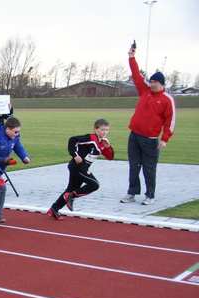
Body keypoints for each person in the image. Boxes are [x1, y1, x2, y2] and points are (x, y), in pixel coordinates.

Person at [121, 43, 176, 206]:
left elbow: (170, 121)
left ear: (162, 83)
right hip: (134, 135)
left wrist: (165, 138)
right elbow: (136, 74)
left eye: (155, 82)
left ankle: (150, 195)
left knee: (149, 169)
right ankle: (131, 193)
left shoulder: (167, 99)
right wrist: (131, 57)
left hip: (151, 139)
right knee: (134, 166)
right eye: (151, 81)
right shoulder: (145, 90)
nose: (152, 84)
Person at [47, 119, 114, 221]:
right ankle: (72, 195)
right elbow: (72, 140)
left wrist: (108, 147)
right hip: (77, 166)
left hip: (82, 168)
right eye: (102, 129)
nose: (104, 132)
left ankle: (54, 209)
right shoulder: (90, 138)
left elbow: (110, 157)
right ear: (95, 129)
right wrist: (75, 155)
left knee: (71, 189)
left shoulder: (103, 142)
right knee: (94, 184)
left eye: (106, 130)